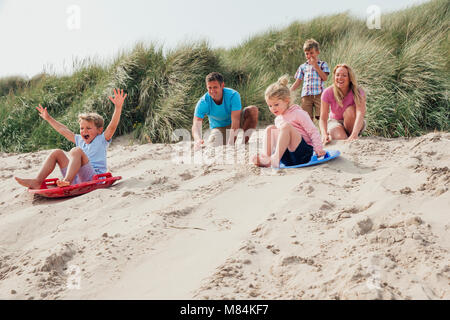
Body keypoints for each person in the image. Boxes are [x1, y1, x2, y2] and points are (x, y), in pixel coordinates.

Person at [15, 89, 127, 189]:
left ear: (99, 130)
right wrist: (48, 118)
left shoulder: (101, 139)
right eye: (82, 128)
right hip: (77, 177)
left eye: (88, 128)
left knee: (75, 151)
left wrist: (118, 107)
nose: (84, 131)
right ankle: (37, 181)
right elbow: (63, 130)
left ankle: (67, 181)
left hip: (94, 177)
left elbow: (112, 127)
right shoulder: (80, 140)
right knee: (57, 153)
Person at [252, 76, 326, 168]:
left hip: (303, 155)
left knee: (286, 127)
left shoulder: (298, 113)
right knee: (270, 129)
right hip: (288, 158)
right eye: (270, 106)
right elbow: (281, 141)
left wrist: (318, 149)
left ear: (287, 101)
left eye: (276, 104)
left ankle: (275, 158)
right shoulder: (278, 119)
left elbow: (313, 131)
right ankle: (266, 158)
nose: (273, 108)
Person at [192, 72, 258, 149]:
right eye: (210, 88)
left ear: (222, 85)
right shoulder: (203, 102)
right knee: (213, 144)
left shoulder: (233, 95)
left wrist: (231, 143)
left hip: (236, 122)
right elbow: (196, 124)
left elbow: (236, 120)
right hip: (219, 128)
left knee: (253, 110)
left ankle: (244, 143)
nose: (212, 91)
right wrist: (197, 139)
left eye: (215, 87)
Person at [319, 64, 367, 144]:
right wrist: (323, 134)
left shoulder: (358, 91)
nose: (340, 78)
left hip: (352, 120)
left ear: (350, 78)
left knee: (350, 110)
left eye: (344, 75)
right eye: (337, 75)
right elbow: (323, 118)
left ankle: (352, 135)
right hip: (335, 122)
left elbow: (360, 114)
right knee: (341, 137)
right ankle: (336, 134)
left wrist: (354, 134)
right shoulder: (327, 92)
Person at [290, 39, 330, 121]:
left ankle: (323, 131)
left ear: (317, 52)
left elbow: (325, 78)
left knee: (321, 116)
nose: (309, 55)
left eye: (311, 53)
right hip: (306, 96)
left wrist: (316, 66)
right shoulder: (303, 66)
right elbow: (298, 82)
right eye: (307, 54)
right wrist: (289, 91)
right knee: (307, 117)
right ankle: (309, 133)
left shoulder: (323, 64)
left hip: (319, 94)